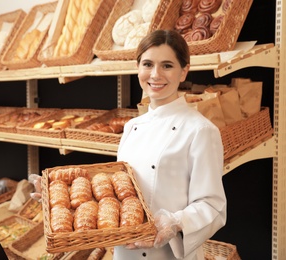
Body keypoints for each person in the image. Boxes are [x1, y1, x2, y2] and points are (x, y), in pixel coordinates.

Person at [29, 29, 226, 260]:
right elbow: (116, 193)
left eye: (167, 66)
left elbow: (213, 207)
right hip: (125, 253)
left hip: (167, 255)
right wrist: (59, 194)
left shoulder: (200, 130)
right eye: (148, 64)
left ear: (184, 72)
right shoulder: (133, 126)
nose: (155, 74)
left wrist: (174, 223)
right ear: (138, 68)